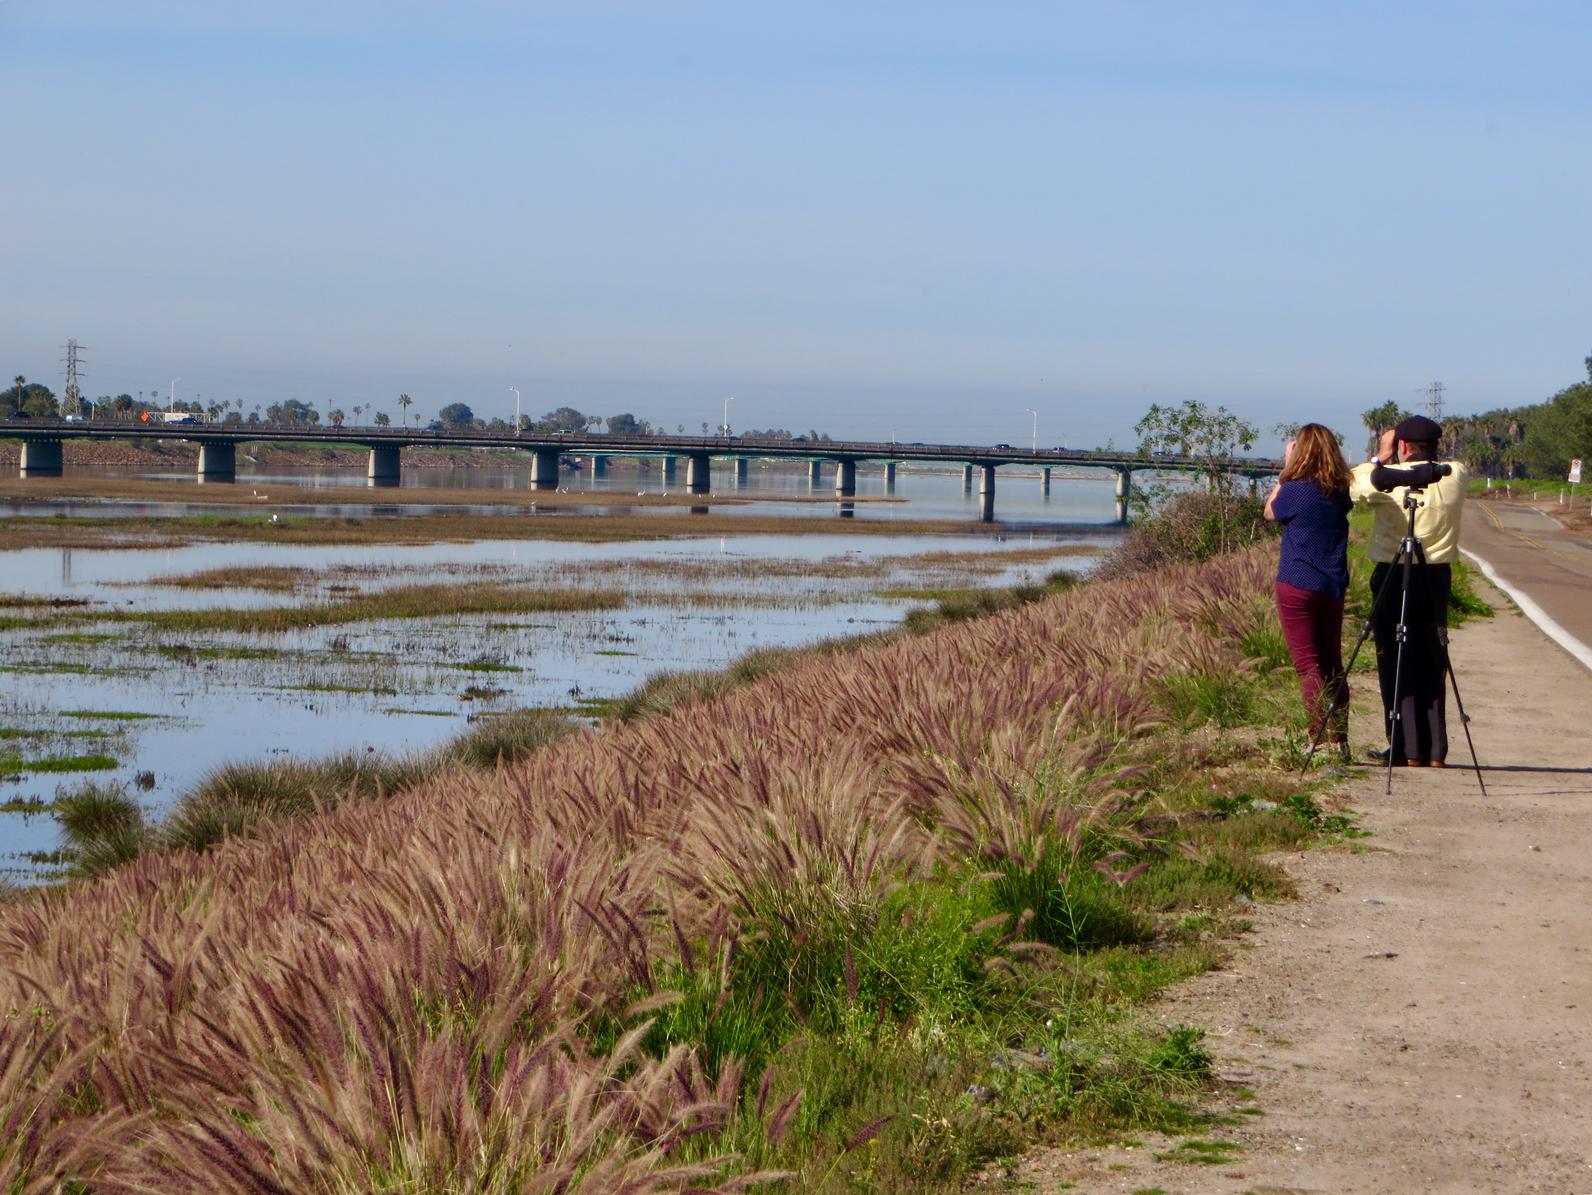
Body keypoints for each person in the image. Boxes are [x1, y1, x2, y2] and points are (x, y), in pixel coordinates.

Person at [1349, 414, 1468, 767]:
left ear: (1402, 446)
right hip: (1436, 574)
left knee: (1395, 659)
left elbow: (1354, 486)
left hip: (1393, 571)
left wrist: (1380, 457)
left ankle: (1405, 747)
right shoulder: (1455, 475)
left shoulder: (1388, 483)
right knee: (1433, 657)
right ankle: (1435, 751)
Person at [1264, 424, 1353, 755]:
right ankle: (1340, 740)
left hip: (1296, 583)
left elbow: (1270, 511)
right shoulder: (1339, 492)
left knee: (1308, 665)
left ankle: (1316, 739)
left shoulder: (1295, 489)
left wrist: (1286, 471)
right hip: (1331, 585)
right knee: (1333, 663)